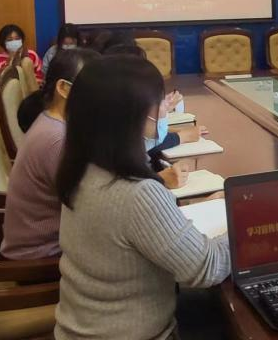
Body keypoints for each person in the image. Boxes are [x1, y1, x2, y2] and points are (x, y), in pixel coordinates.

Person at [54, 55, 231, 340]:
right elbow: (207, 267)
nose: (164, 109)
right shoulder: (136, 193)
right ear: (131, 117)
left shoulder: (82, 166)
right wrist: (245, 222)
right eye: (159, 102)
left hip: (86, 325)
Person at [2, 48, 100, 260]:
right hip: (43, 257)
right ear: (63, 88)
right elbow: (95, 206)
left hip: (54, 243)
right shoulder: (57, 138)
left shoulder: (51, 120)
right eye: (94, 87)